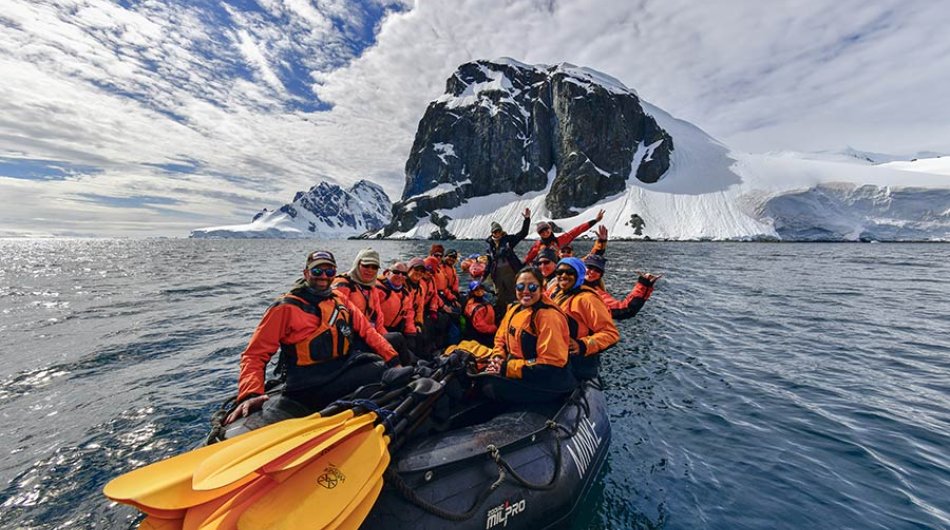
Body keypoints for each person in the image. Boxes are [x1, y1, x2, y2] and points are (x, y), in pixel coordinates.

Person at [226, 250, 399, 427]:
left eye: (329, 272)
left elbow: (368, 332)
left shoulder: (339, 299)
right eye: (317, 271)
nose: (323, 276)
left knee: (382, 367)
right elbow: (255, 354)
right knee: (379, 371)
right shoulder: (285, 308)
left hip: (337, 370)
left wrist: (393, 359)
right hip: (305, 383)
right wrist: (250, 394)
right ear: (306, 273)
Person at [477, 267, 577, 403]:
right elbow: (500, 338)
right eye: (520, 287)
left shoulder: (548, 317)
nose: (525, 291)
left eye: (532, 287)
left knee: (489, 386)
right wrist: (498, 357)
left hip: (548, 381)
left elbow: (551, 364)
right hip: (523, 370)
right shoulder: (514, 309)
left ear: (542, 288)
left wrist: (507, 367)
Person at [549, 257, 619, 380]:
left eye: (570, 272)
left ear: (579, 274)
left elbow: (611, 334)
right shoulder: (557, 293)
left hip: (576, 365)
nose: (563, 276)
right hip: (556, 358)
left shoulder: (587, 299)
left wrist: (582, 345)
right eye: (559, 272)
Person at [583, 254, 660, 321]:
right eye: (589, 267)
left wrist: (644, 284)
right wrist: (602, 241)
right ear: (581, 267)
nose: (592, 272)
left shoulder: (596, 294)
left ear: (600, 275)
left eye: (597, 270)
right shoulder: (572, 281)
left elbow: (626, 310)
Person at [485, 209, 531, 315]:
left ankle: (518, 314)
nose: (497, 233)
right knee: (500, 296)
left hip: (511, 272)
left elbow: (523, 233)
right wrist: (483, 277)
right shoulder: (490, 246)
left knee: (514, 294)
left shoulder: (508, 240)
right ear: (492, 233)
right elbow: (489, 263)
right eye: (495, 231)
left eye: (499, 231)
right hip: (497, 275)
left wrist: (527, 219)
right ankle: (501, 316)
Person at [522, 209, 605, 265]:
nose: (545, 233)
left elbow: (577, 230)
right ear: (539, 234)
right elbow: (528, 258)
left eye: (546, 230)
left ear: (550, 229)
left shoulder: (561, 240)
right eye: (541, 232)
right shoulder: (538, 245)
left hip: (559, 267)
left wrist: (595, 221)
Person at [377, 262, 421, 356]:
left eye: (404, 274)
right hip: (379, 331)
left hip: (395, 327)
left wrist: (411, 332)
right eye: (396, 272)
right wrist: (386, 336)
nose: (400, 276)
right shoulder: (378, 289)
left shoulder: (405, 293)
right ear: (388, 272)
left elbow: (409, 312)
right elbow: (373, 316)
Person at [462, 280, 497, 347]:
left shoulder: (472, 301)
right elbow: (481, 326)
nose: (479, 290)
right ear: (472, 292)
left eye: (481, 288)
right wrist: (495, 328)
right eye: (476, 289)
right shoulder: (477, 308)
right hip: (482, 336)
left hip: (484, 329)